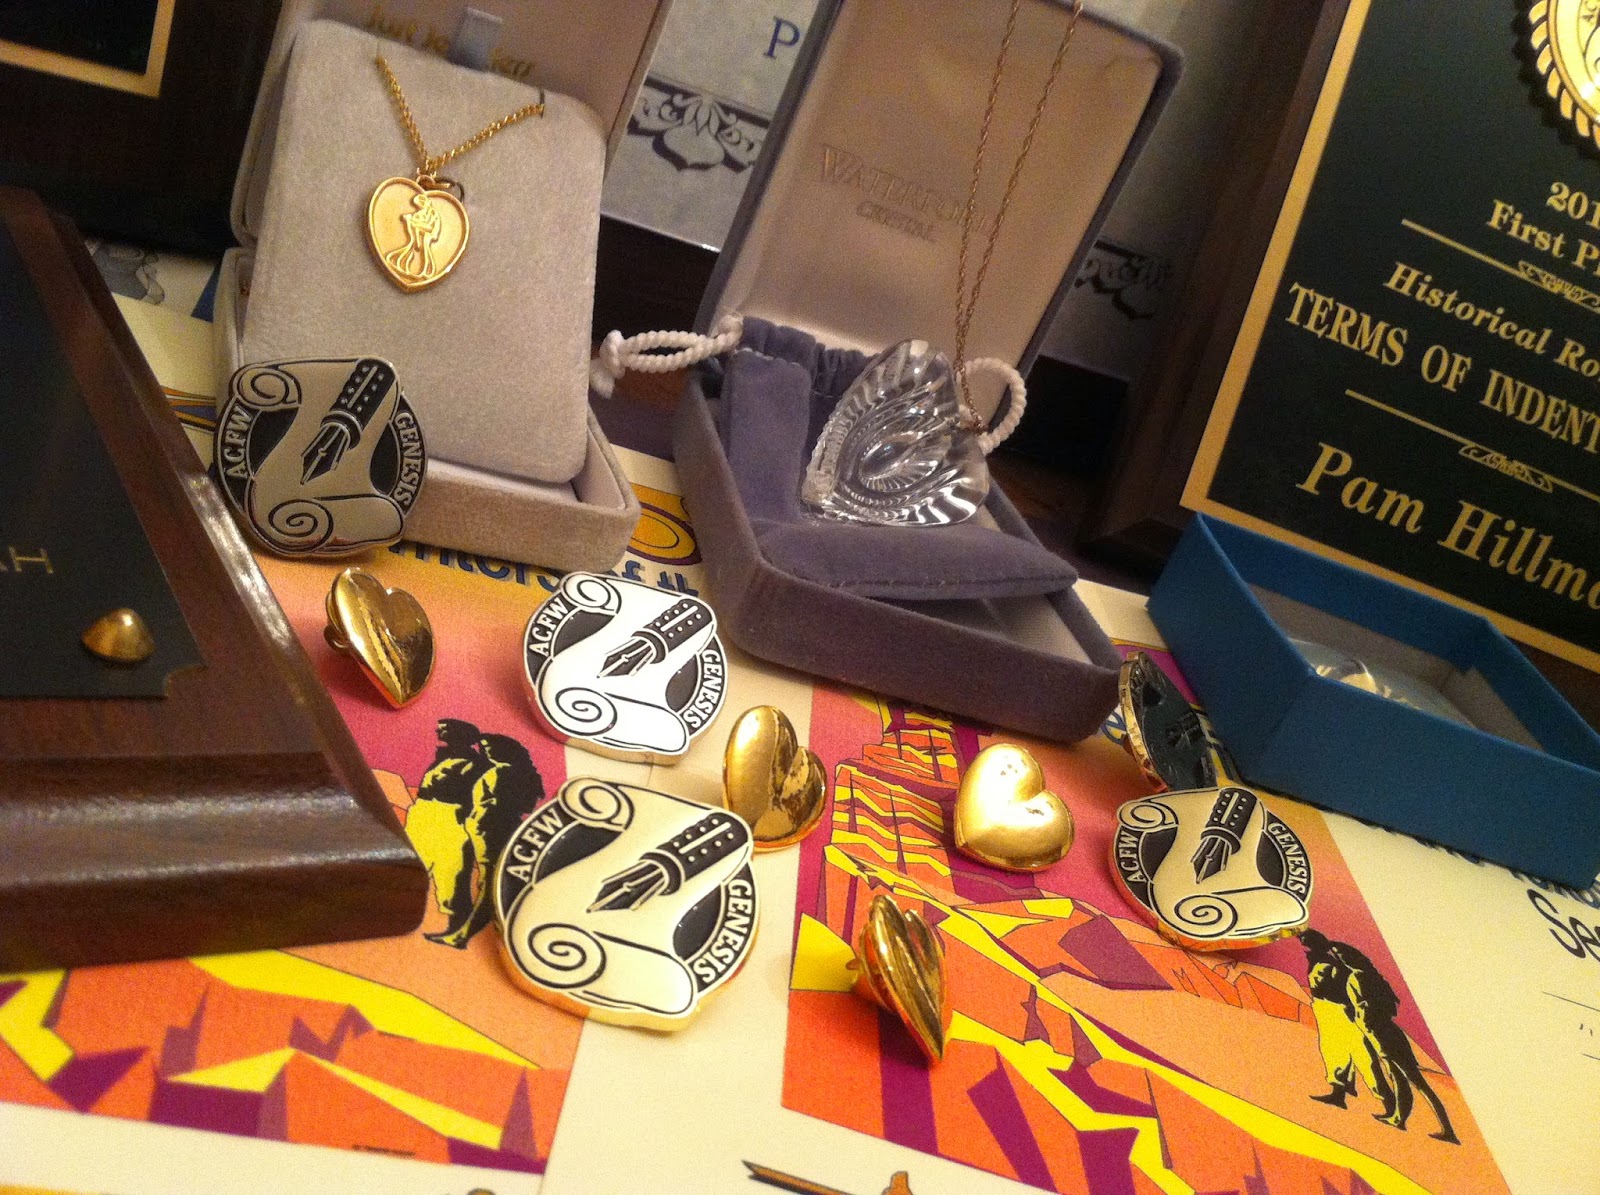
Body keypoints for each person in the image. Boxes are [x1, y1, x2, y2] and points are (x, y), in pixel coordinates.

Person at [1300, 929, 1458, 1144]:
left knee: (1411, 1080)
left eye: (1340, 955)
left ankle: (1437, 1127)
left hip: (1380, 1035)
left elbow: (1363, 1009)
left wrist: (1359, 1019)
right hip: (1380, 1033)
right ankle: (1400, 1118)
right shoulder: (1368, 977)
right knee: (1401, 1078)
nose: (1336, 956)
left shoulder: (1356, 978)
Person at [431, 732, 546, 949]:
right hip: (485, 829)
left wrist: (484, 812)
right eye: (484, 747)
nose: (485, 751)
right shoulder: (512, 773)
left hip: (491, 830)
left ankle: (463, 935)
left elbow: (507, 804)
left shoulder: (504, 772)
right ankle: (461, 932)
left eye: (490, 747)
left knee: (488, 884)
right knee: (482, 880)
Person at [406, 719, 489, 946]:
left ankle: (457, 930)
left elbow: (476, 796)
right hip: (424, 813)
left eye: (445, 729)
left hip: (451, 818)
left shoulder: (475, 764)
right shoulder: (443, 756)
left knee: (451, 876)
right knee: (410, 863)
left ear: (460, 735)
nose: (438, 731)